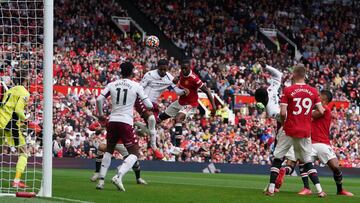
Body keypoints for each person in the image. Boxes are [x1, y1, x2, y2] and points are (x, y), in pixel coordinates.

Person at [265, 64, 327, 197]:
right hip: (305, 130)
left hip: (289, 129)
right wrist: (306, 115)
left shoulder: (288, 90)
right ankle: (320, 190)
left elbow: (282, 112)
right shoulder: (313, 91)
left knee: (278, 158)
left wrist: (287, 119)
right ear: (304, 75)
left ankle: (270, 189)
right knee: (307, 161)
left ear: (294, 74)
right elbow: (321, 111)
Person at [278, 90, 353, 196]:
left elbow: (311, 114)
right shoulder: (313, 109)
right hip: (309, 142)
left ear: (324, 99)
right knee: (302, 162)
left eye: (319, 97)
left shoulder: (325, 109)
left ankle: (340, 190)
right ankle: (306, 188)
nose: (316, 98)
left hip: (323, 143)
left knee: (336, 167)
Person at [95, 62, 153, 191]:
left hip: (112, 120)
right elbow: (148, 105)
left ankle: (101, 181)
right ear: (132, 72)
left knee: (109, 150)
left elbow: (99, 99)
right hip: (126, 122)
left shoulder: (112, 84)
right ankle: (119, 174)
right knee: (134, 153)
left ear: (120, 72)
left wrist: (100, 115)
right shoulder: (136, 86)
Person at [158, 59, 216, 147]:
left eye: (186, 68)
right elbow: (179, 77)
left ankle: (177, 147)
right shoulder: (182, 73)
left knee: (178, 118)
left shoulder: (194, 79)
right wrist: (177, 78)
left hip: (190, 104)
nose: (184, 70)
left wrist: (214, 106)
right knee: (161, 117)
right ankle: (147, 127)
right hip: (180, 102)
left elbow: (207, 91)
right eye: (182, 69)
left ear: (190, 68)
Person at [134, 59, 185, 158]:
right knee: (152, 119)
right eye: (161, 69)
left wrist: (185, 91)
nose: (162, 72)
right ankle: (154, 148)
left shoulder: (170, 77)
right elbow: (139, 89)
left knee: (152, 126)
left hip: (153, 104)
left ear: (167, 68)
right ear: (157, 67)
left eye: (164, 70)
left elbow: (178, 92)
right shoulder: (149, 75)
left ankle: (137, 128)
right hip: (142, 99)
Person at [0, 70, 30, 188]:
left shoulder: (11, 90)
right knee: (24, 153)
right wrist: (26, 119)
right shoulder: (24, 92)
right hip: (9, 124)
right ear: (26, 80)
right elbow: (18, 110)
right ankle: (16, 181)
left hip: (0, 120)